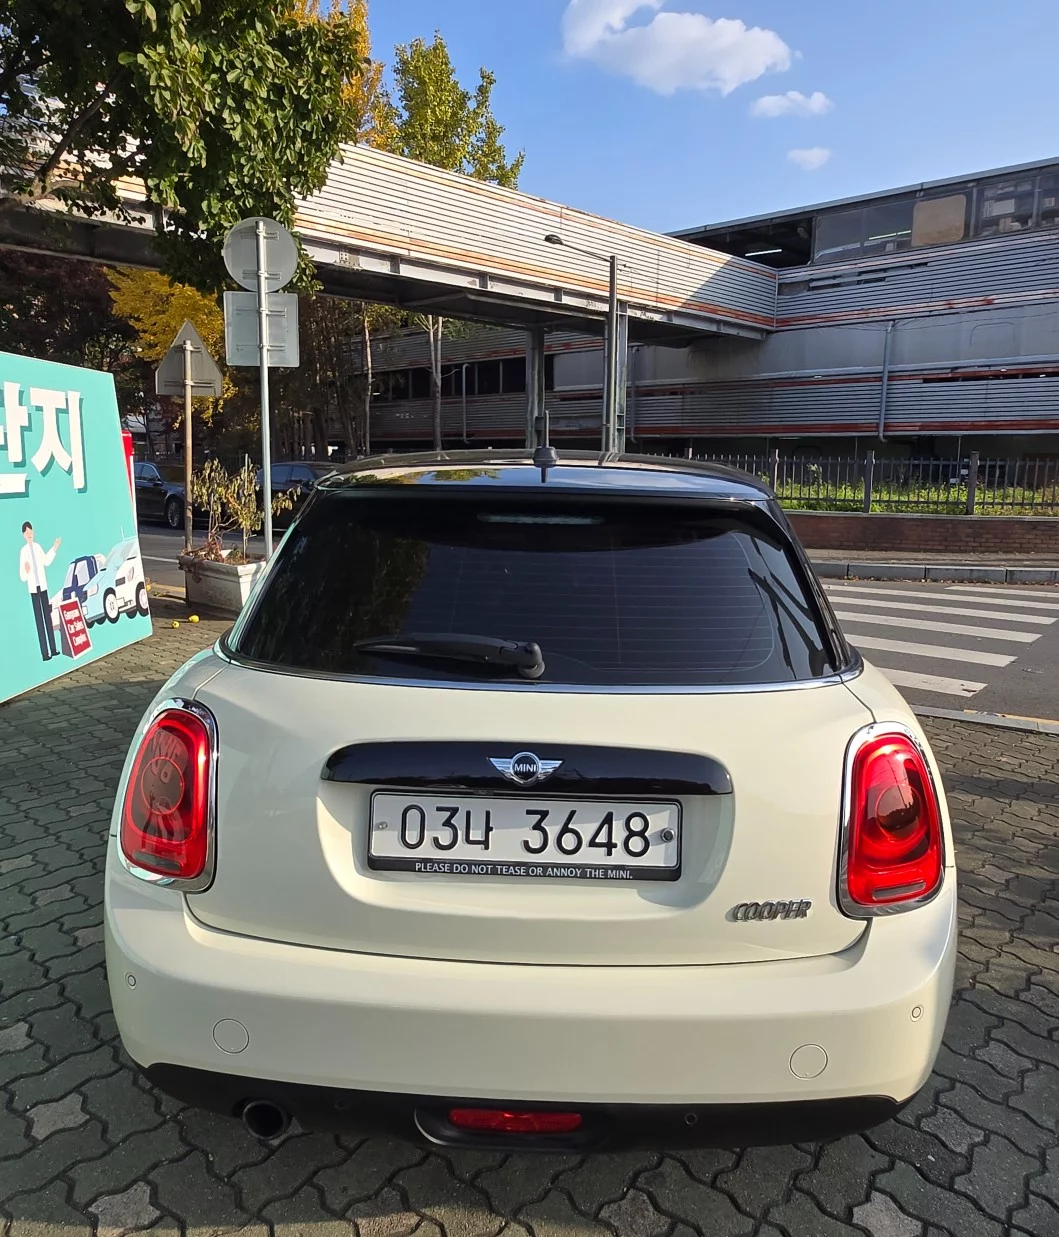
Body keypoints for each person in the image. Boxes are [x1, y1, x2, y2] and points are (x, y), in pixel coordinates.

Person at [19, 522, 61, 661]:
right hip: (33, 589)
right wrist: (26, 571)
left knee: (47, 618)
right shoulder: (23, 552)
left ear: (33, 532)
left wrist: (54, 547)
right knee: (39, 622)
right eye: (27, 533)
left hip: (42, 587)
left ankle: (53, 649)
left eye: (30, 532)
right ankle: (45, 653)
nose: (29, 534)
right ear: (23, 535)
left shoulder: (37, 547)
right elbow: (22, 576)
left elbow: (46, 561)